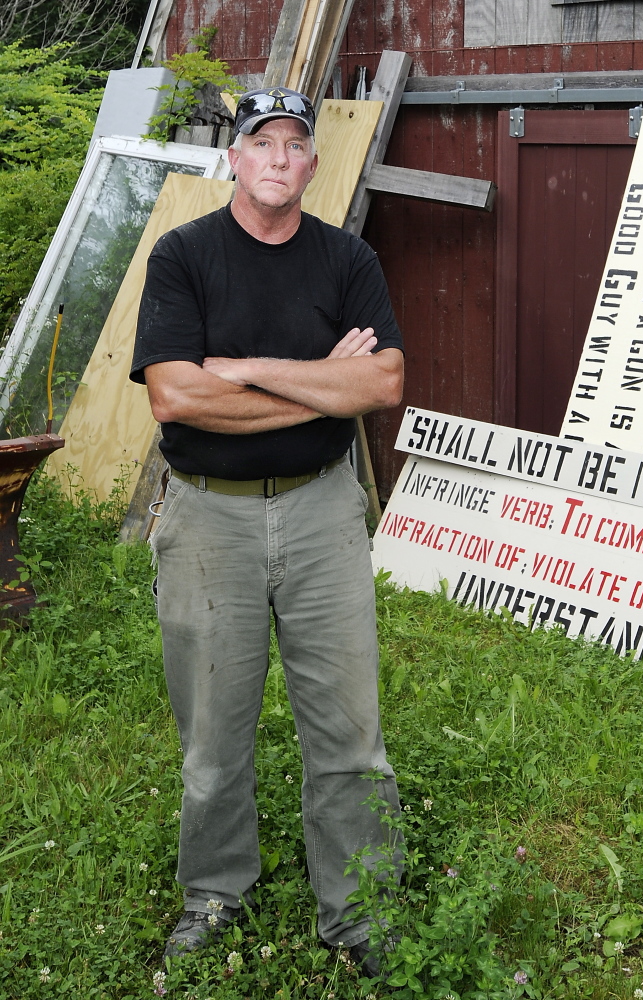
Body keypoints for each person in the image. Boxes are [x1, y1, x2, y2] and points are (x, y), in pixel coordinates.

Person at [129, 87, 405, 978]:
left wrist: (244, 371)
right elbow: (175, 395)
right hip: (209, 514)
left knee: (349, 728)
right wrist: (318, 380)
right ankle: (212, 894)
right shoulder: (184, 257)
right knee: (213, 730)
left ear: (312, 165)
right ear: (235, 159)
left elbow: (381, 386)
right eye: (263, 144)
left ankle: (360, 910)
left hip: (325, 509)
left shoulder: (346, 260)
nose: (280, 159)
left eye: (296, 145)